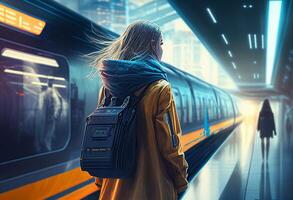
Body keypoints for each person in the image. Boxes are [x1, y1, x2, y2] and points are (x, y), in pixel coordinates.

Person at [90, 20, 189, 199]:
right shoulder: (160, 88)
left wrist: (101, 180)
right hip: (153, 189)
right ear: (152, 44)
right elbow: (170, 146)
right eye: (161, 43)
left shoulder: (107, 89)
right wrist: (181, 180)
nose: (161, 49)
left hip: (113, 190)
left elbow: (100, 136)